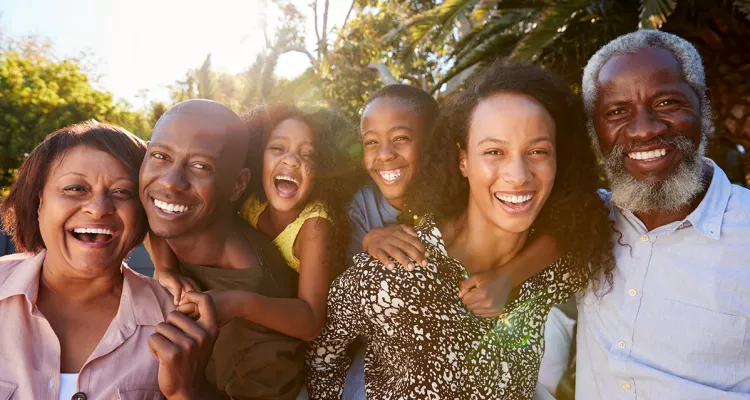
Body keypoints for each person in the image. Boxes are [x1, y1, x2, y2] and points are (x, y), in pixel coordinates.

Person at [307, 61, 614, 399]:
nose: (518, 174)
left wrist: (511, 274)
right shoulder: (390, 276)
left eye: (538, 151)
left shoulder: (565, 260)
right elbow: (323, 361)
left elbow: (594, 216)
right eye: (494, 151)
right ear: (462, 159)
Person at [575, 30, 750, 399]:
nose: (645, 130)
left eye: (667, 102)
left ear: (704, 106)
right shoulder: (584, 221)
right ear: (596, 132)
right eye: (617, 112)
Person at [0, 121, 218, 399]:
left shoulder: (181, 321)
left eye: (122, 192)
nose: (99, 209)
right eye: (75, 188)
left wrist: (188, 390)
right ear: (39, 202)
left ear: (143, 212)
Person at [150, 104, 359, 341]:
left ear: (324, 167)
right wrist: (164, 267)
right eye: (277, 148)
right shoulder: (251, 197)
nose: (291, 161)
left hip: (309, 337)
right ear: (259, 155)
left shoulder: (315, 226)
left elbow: (311, 322)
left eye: (307, 154)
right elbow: (162, 208)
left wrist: (239, 303)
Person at [140, 99, 304, 399]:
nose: (171, 183)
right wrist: (164, 268)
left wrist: (184, 390)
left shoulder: (259, 302)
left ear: (237, 186)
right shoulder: (172, 215)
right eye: (161, 156)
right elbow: (148, 214)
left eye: (201, 166)